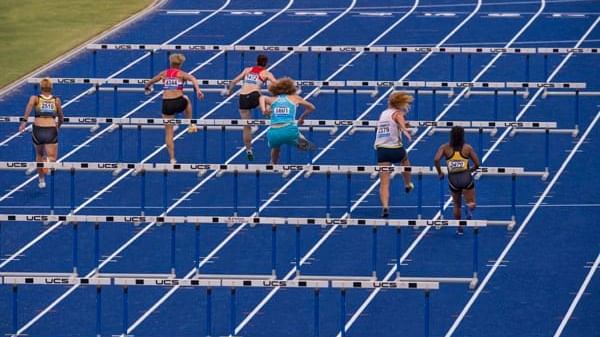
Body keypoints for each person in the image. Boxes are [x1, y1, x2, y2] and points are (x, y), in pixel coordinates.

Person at [144, 53, 204, 164]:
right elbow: (193, 79)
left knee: (168, 132)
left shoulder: (164, 73)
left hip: (166, 104)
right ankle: (191, 124)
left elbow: (149, 82)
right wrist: (198, 90)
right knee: (186, 98)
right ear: (181, 64)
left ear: (171, 63)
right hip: (179, 102)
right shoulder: (181, 74)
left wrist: (147, 88)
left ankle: (172, 158)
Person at [226, 55, 276, 160]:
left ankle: (248, 150)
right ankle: (268, 113)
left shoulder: (247, 70)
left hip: (242, 98)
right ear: (266, 64)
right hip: (254, 95)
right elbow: (277, 84)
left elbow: (233, 82)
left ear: (256, 61)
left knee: (246, 127)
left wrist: (229, 91)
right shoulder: (266, 73)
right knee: (270, 103)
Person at [374, 92, 415, 218]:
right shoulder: (398, 113)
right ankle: (408, 183)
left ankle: (385, 207)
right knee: (405, 160)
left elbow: (379, 128)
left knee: (384, 183)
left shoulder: (383, 114)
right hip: (396, 149)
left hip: (382, 150)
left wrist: (401, 127)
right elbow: (400, 123)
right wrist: (406, 131)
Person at [434, 126, 480, 234]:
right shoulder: (467, 148)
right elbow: (477, 163)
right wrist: (471, 170)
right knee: (472, 202)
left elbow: (436, 159)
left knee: (456, 204)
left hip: (453, 179)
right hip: (466, 177)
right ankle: (469, 207)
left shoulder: (445, 148)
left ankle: (459, 227)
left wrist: (440, 172)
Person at [19, 78, 64, 189]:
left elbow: (29, 107)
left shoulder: (35, 98)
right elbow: (61, 117)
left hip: (37, 129)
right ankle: (47, 161)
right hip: (50, 129)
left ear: (41, 87)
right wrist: (58, 126)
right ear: (51, 87)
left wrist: (24, 122)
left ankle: (41, 180)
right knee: (53, 158)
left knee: (39, 155)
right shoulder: (56, 100)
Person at [259, 77, 316, 164]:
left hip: (274, 132)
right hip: (290, 130)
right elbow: (311, 107)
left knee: (275, 148)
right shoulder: (295, 98)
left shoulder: (272, 99)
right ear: (291, 88)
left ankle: (273, 163)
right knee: (301, 141)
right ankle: (298, 143)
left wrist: (264, 110)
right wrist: (301, 118)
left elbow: (262, 97)